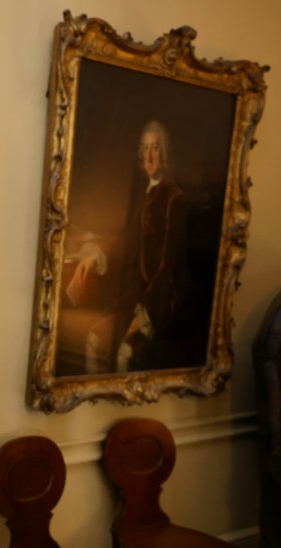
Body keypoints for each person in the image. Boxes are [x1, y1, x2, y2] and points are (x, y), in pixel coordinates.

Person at [65, 119, 192, 373]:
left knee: (124, 352)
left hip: (164, 299)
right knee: (94, 339)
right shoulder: (146, 193)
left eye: (155, 148)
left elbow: (168, 264)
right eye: (145, 148)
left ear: (164, 153)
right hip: (138, 295)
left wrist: (147, 311)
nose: (149, 155)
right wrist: (96, 257)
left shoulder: (174, 197)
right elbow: (127, 244)